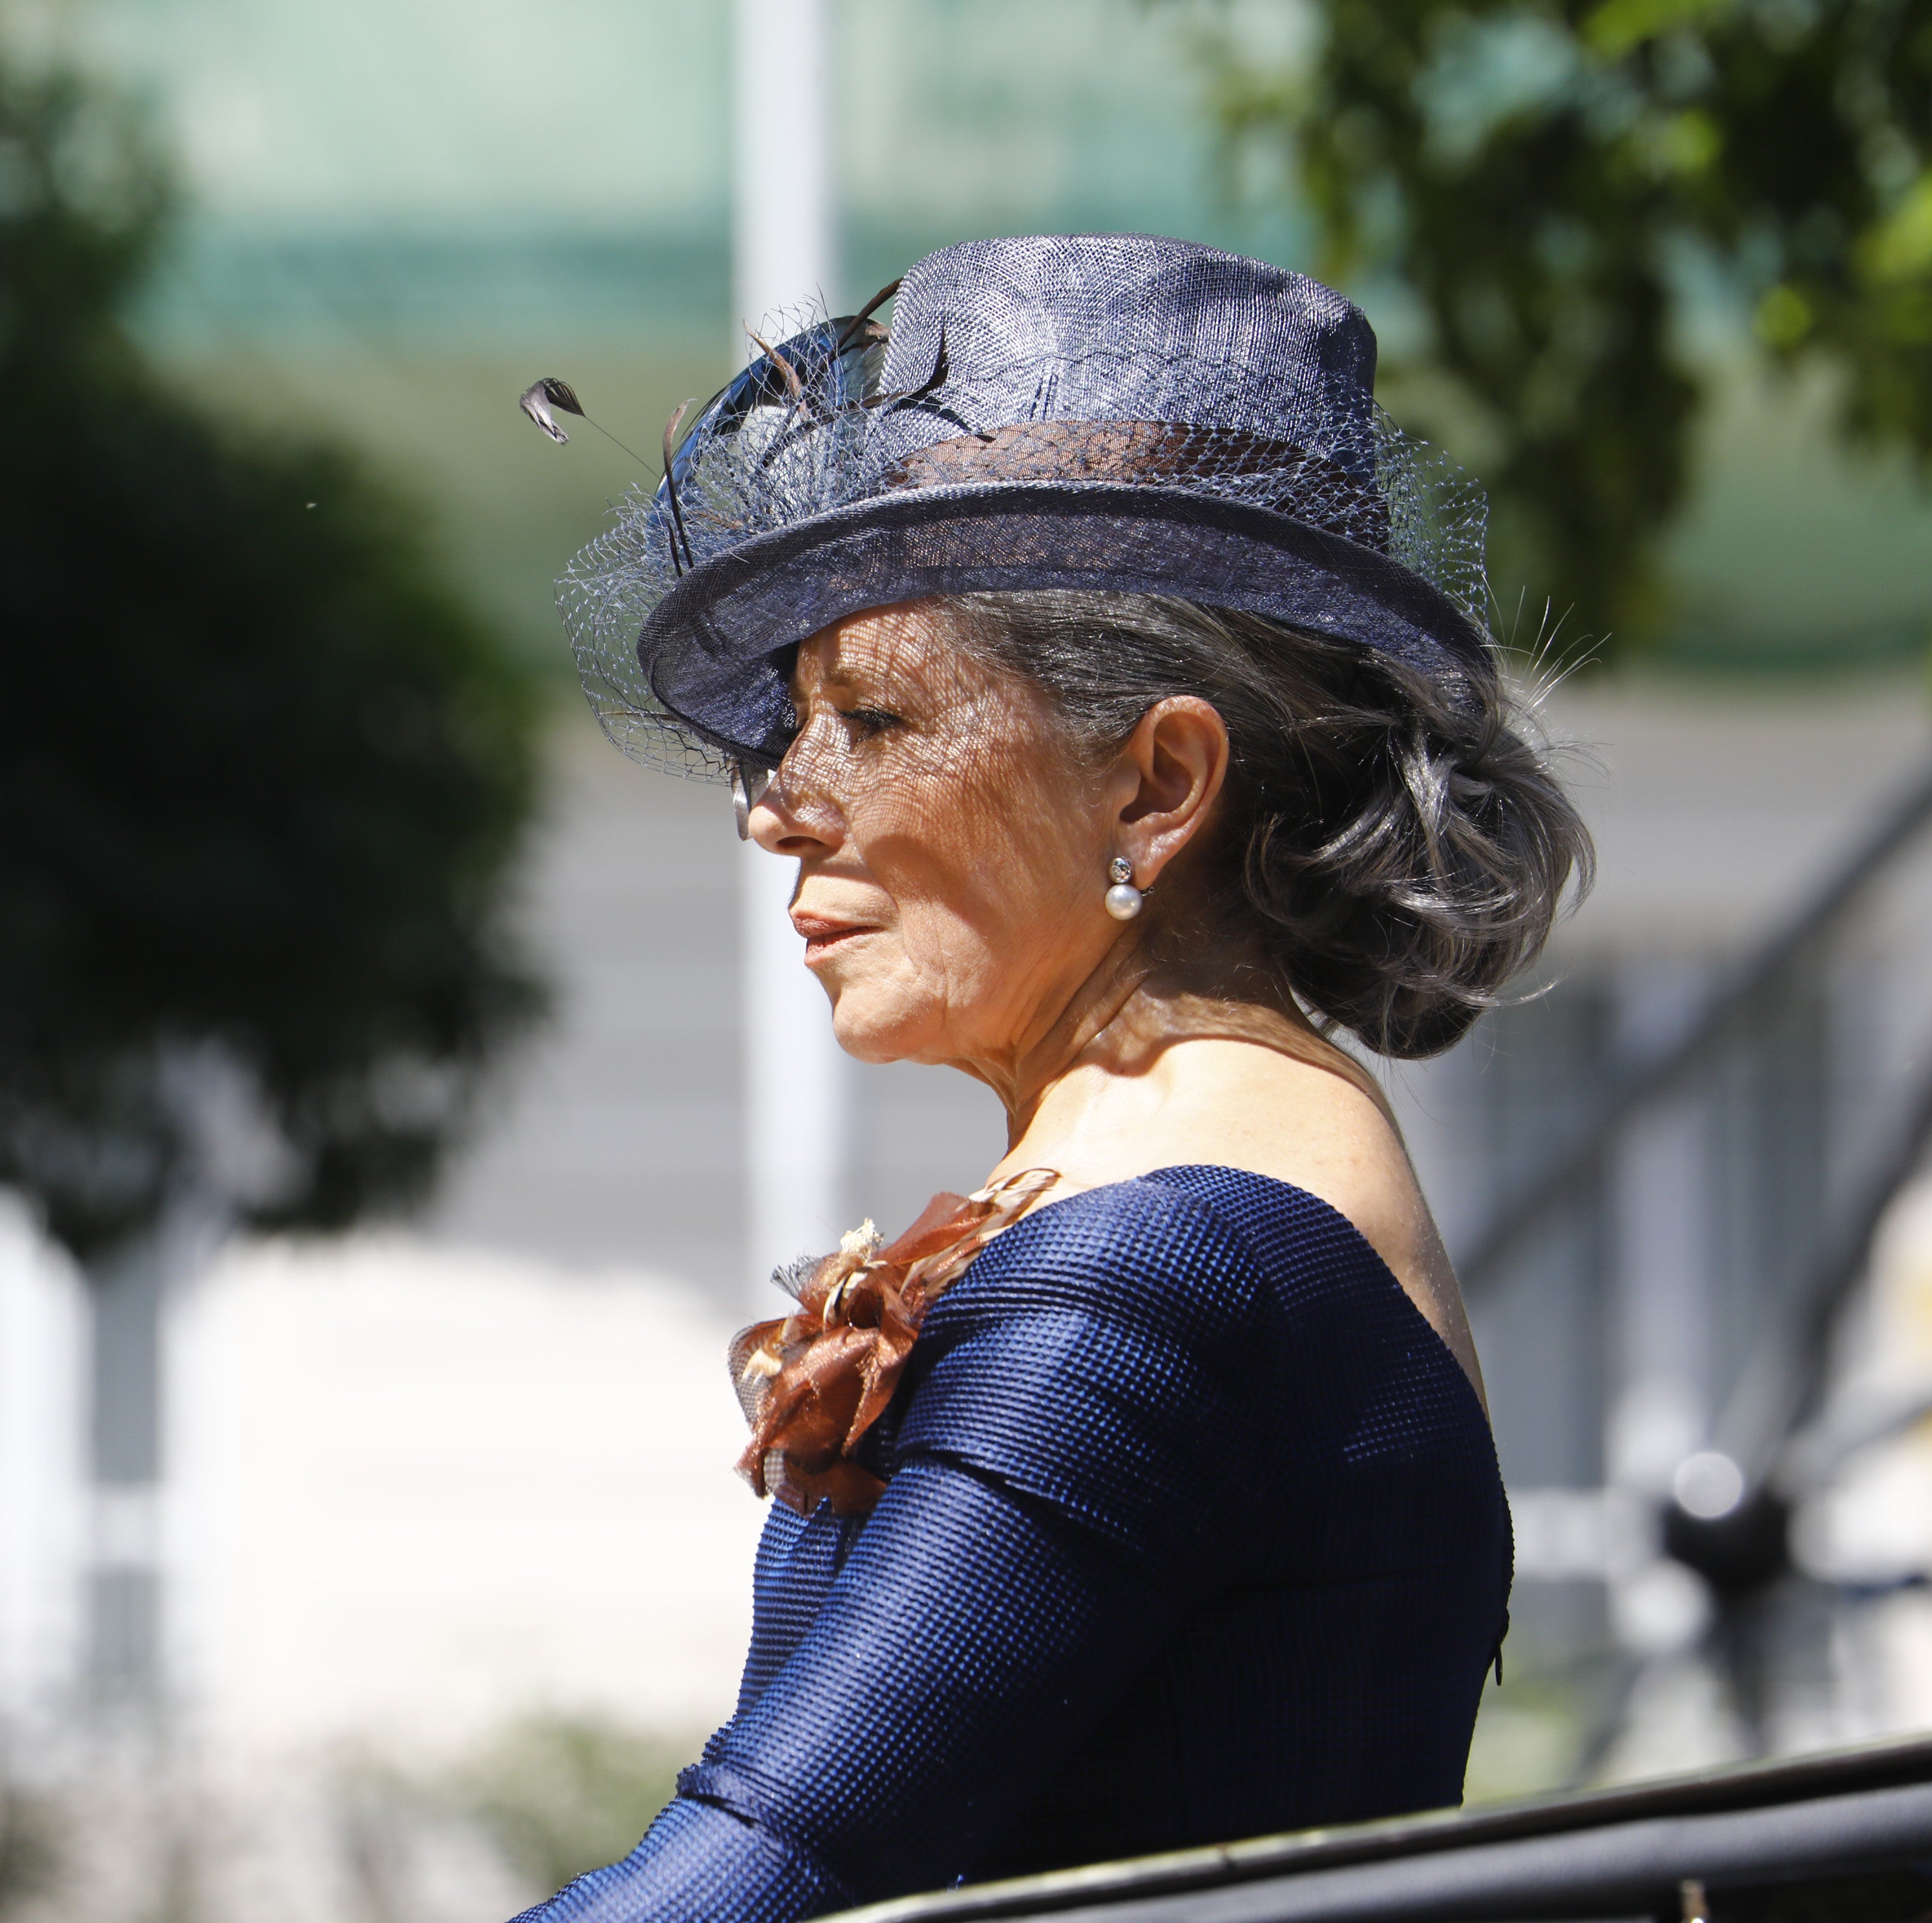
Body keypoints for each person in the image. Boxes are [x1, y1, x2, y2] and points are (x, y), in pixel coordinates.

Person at [517, 235, 1590, 1920]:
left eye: (872, 720)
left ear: (1159, 786)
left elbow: (761, 1874)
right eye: (788, 731)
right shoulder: (1235, 1180)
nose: (777, 804)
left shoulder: (1161, 1272)